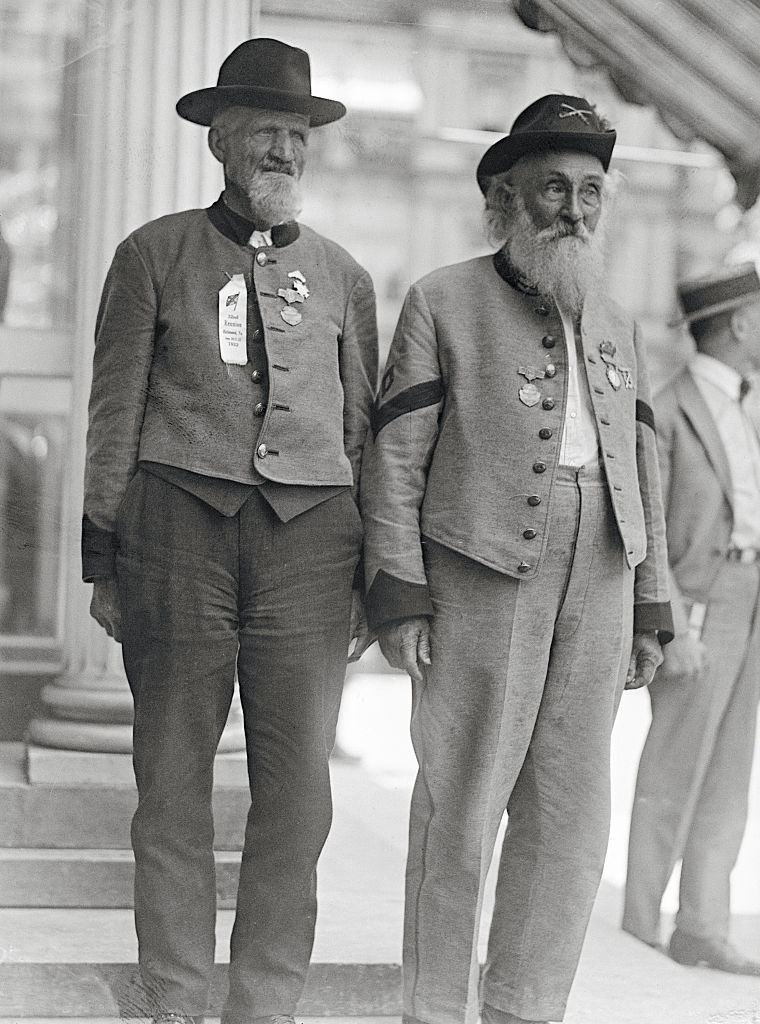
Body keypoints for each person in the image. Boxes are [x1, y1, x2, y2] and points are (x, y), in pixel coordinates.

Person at [82, 37, 378, 1024]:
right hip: (176, 535)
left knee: (298, 797)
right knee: (170, 782)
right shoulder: (151, 254)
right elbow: (114, 410)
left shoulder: (343, 275)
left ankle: (264, 1005)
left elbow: (359, 428)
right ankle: (172, 996)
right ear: (220, 140)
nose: (284, 151)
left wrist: (372, 573)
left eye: (297, 135)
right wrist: (101, 552)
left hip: (312, 544)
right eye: (265, 132)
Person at [360, 94, 673, 1024]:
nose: (573, 210)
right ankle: (434, 1010)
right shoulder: (442, 299)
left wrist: (652, 605)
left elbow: (643, 470)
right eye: (552, 189)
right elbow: (396, 458)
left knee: (572, 823)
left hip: (606, 575)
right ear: (504, 197)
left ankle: (526, 1009)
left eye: (589, 191)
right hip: (481, 571)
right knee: (461, 806)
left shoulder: (618, 321)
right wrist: (401, 592)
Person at [623, 262, 760, 975]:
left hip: (751, 599)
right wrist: (669, 626)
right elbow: (648, 526)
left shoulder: (751, 403)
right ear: (740, 324)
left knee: (732, 775)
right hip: (700, 605)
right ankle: (640, 927)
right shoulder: (670, 410)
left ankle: (702, 926)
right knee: (672, 770)